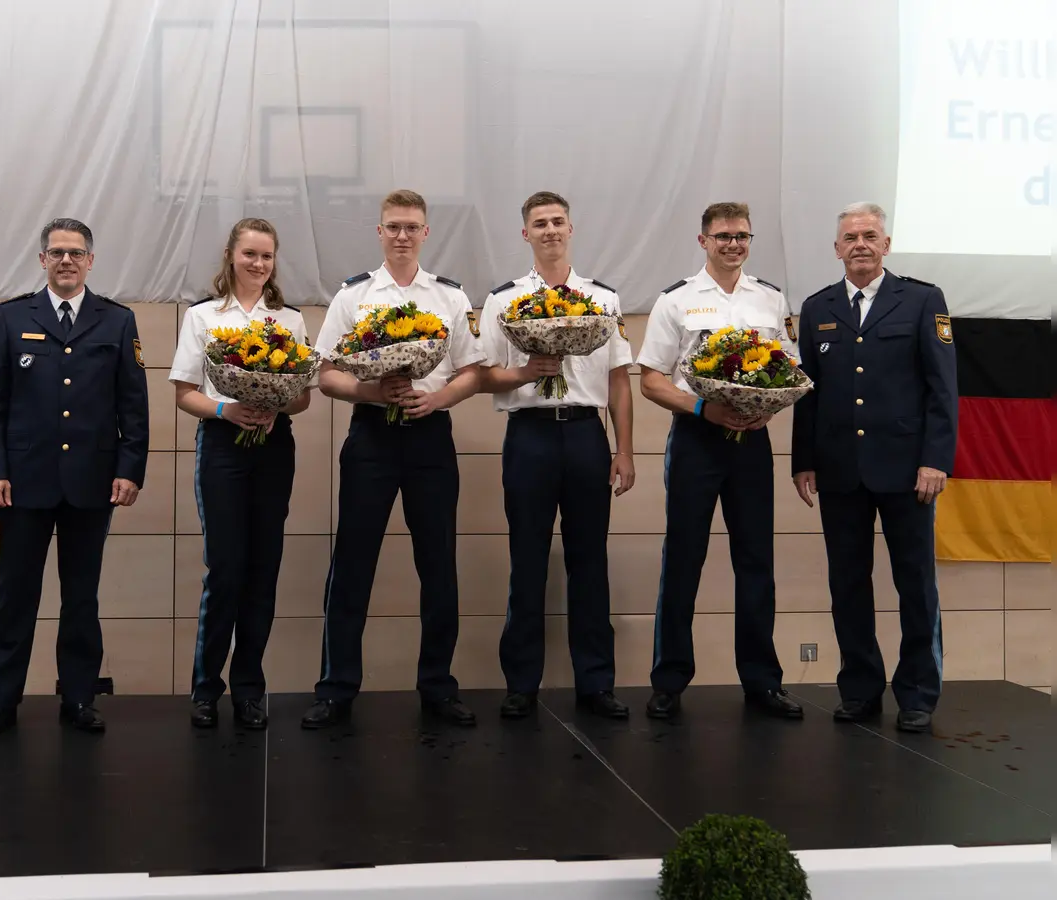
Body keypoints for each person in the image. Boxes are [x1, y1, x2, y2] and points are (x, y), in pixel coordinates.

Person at [302, 189, 484, 729]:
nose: (402, 235)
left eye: (412, 227)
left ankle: (438, 687)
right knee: (352, 564)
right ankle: (336, 688)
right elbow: (326, 373)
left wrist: (438, 399)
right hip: (371, 437)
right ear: (379, 232)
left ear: (426, 233)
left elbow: (472, 371)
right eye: (393, 227)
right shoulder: (353, 295)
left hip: (430, 436)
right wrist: (370, 392)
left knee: (439, 566)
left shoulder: (449, 296)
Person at [0, 218, 150, 737]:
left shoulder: (117, 321)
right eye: (57, 253)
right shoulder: (11, 317)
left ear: (90, 261)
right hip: (23, 483)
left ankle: (78, 698)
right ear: (42, 260)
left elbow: (133, 406)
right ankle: (0, 702)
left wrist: (129, 469)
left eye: (75, 253)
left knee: (81, 597)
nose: (66, 260)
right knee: (15, 596)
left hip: (92, 481)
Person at [791, 201, 957, 734]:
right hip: (840, 470)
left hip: (909, 472)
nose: (859, 244)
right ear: (836, 249)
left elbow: (942, 389)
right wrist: (803, 461)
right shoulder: (817, 307)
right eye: (850, 237)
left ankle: (918, 692)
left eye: (869, 236)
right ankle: (860, 689)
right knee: (847, 584)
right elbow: (807, 395)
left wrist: (935, 459)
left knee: (916, 583)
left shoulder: (924, 299)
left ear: (886, 244)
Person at [635, 201, 803, 721]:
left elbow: (788, 370)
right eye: (724, 236)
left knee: (756, 562)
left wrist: (768, 406)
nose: (734, 244)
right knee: (684, 559)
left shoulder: (771, 299)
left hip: (752, 442)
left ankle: (762, 681)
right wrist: (702, 408)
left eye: (742, 236)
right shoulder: (676, 300)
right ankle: (669, 681)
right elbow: (651, 380)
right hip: (696, 440)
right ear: (703, 240)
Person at [476, 191, 635, 720]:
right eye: (539, 223)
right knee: (527, 560)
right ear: (526, 234)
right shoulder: (504, 300)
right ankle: (522, 683)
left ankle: (596, 682)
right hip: (530, 436)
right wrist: (526, 371)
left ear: (571, 229)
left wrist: (624, 449)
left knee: (590, 561)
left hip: (586, 435)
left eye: (558, 221)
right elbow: (484, 375)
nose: (550, 230)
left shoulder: (601, 299)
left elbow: (619, 381)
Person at [170, 218, 311, 730]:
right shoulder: (203, 316)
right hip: (222, 445)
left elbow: (302, 396)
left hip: (273, 446)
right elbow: (184, 393)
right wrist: (226, 409)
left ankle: (250, 688)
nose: (258, 263)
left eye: (266, 256)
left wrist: (276, 404)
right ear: (231, 255)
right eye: (250, 254)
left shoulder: (289, 319)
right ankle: (206, 688)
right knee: (225, 570)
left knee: (262, 570)